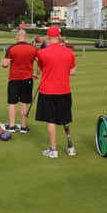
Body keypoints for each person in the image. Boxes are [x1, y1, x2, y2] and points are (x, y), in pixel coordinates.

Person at [35, 26, 77, 158]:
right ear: (59, 37)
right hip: (64, 90)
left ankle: (53, 150)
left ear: (48, 37)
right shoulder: (69, 52)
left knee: (51, 120)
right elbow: (73, 71)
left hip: (47, 91)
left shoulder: (41, 53)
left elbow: (40, 70)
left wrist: (38, 75)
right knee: (65, 119)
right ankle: (70, 146)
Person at [1, 29, 37, 133]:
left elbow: (5, 65)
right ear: (26, 37)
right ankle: (23, 127)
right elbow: (40, 62)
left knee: (12, 102)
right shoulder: (33, 48)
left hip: (14, 79)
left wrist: (2, 62)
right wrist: (37, 74)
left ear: (17, 37)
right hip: (28, 79)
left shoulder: (11, 48)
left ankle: (12, 126)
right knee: (24, 103)